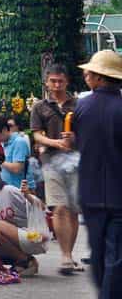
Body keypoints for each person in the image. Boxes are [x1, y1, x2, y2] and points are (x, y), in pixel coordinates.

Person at [75, 50, 122, 297]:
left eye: (90, 72)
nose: (87, 75)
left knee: (98, 251)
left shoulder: (82, 107)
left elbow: (79, 142)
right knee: (117, 253)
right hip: (119, 192)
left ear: (100, 77)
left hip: (90, 191)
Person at [30, 63, 82, 275]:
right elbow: (36, 134)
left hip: (77, 161)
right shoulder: (39, 107)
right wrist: (54, 143)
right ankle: (65, 256)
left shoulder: (79, 105)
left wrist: (75, 138)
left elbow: (88, 132)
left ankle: (69, 253)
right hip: (51, 162)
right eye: (53, 81)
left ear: (67, 82)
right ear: (46, 82)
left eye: (60, 81)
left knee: (73, 210)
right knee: (59, 208)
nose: (57, 85)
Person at [0, 169, 41, 277]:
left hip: (35, 237)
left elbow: (41, 206)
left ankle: (25, 260)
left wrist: (28, 195)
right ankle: (24, 262)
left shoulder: (8, 191)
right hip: (18, 240)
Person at [0, 115, 29, 188]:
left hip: (19, 189)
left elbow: (17, 168)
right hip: (7, 189)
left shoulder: (19, 142)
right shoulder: (2, 144)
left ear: (5, 129)